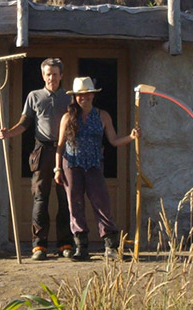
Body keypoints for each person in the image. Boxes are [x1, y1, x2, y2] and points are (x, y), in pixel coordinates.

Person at [55, 76, 140, 261]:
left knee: (102, 203)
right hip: (72, 164)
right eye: (80, 95)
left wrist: (131, 138)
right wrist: (57, 169)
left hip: (94, 164)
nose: (83, 97)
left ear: (93, 95)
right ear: (75, 96)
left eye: (87, 94)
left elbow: (114, 141)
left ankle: (110, 246)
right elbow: (60, 145)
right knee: (75, 204)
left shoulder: (102, 115)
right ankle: (81, 247)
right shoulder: (68, 117)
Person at [0, 58, 74, 260]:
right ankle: (38, 246)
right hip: (42, 150)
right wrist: (9, 133)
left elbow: (77, 124)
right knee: (40, 198)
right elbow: (25, 123)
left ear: (61, 75)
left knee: (65, 199)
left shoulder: (69, 98)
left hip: (66, 151)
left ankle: (65, 244)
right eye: (48, 74)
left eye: (55, 74)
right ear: (43, 75)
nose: (52, 78)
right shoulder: (34, 96)